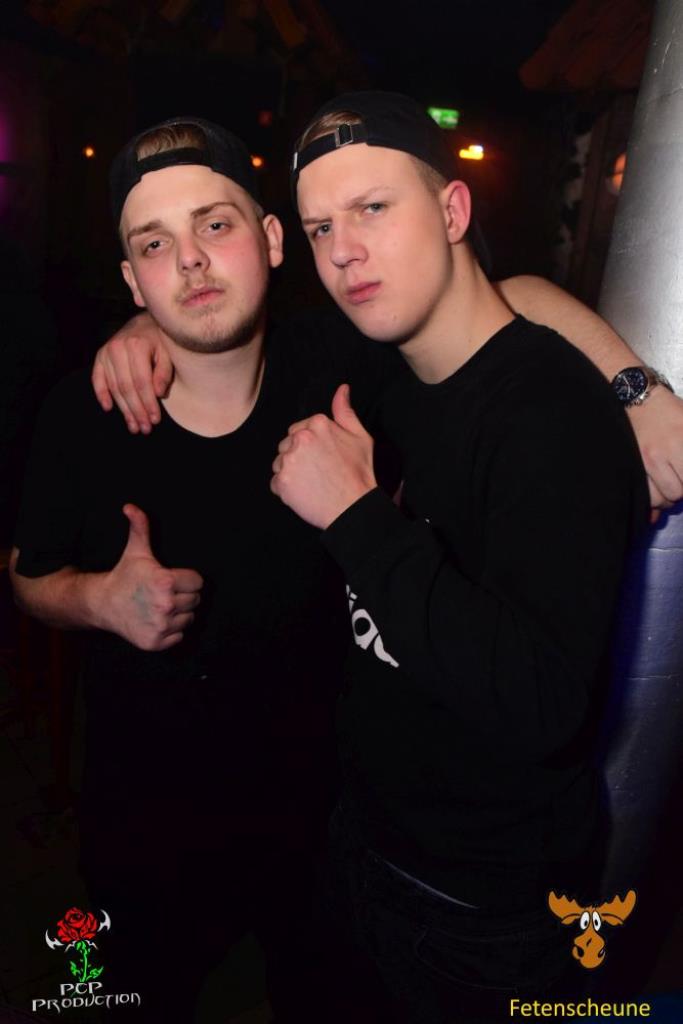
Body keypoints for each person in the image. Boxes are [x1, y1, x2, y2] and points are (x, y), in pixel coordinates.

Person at [265, 91, 652, 1021]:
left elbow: (542, 705)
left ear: (450, 211)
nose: (342, 251)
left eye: (371, 208)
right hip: (363, 845)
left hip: (483, 912)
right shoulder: (382, 372)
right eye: (319, 228)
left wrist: (356, 517)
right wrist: (142, 332)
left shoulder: (552, 415)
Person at [9, 117, 397, 1023]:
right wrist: (98, 600)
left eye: (215, 225)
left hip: (323, 823)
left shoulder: (342, 369)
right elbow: (27, 575)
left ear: (272, 240)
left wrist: (637, 391)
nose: (188, 260)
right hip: (142, 831)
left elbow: (496, 306)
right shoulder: (82, 412)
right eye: (155, 244)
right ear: (132, 282)